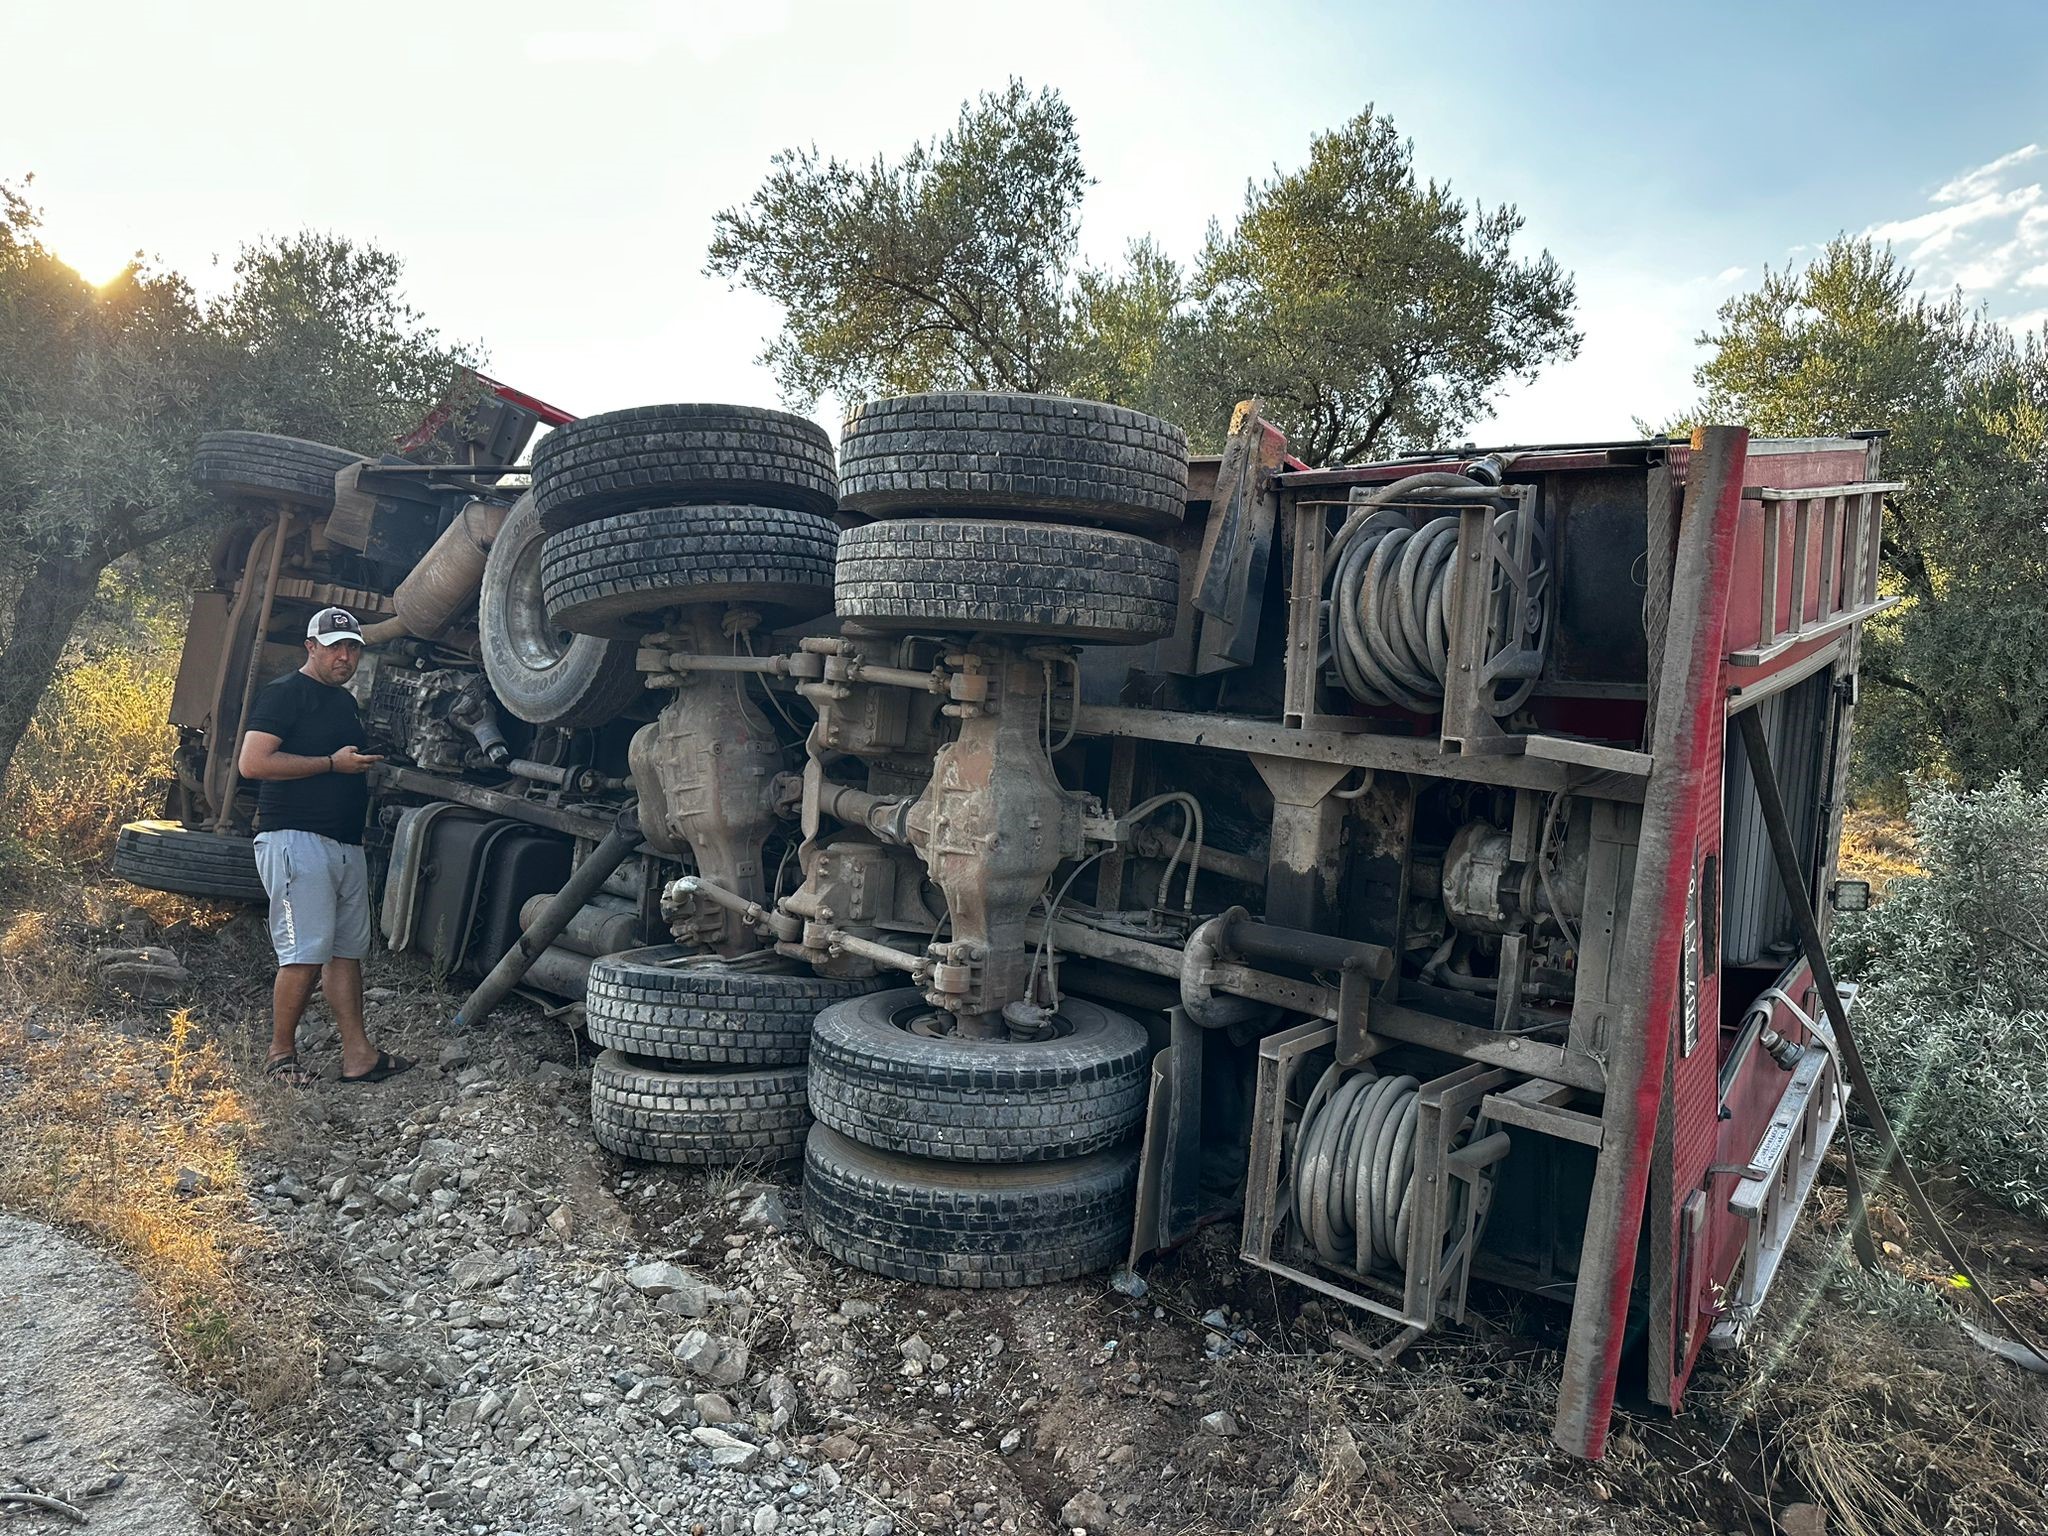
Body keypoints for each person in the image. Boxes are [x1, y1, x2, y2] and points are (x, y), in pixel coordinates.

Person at [238, 607, 413, 1085]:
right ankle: (280, 1056)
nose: (344, 656)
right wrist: (332, 765)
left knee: (345, 953)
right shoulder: (284, 694)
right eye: (334, 646)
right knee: (304, 952)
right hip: (296, 840)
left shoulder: (344, 702)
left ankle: (359, 1056)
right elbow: (253, 763)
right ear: (310, 646)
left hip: (343, 844)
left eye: (353, 648)